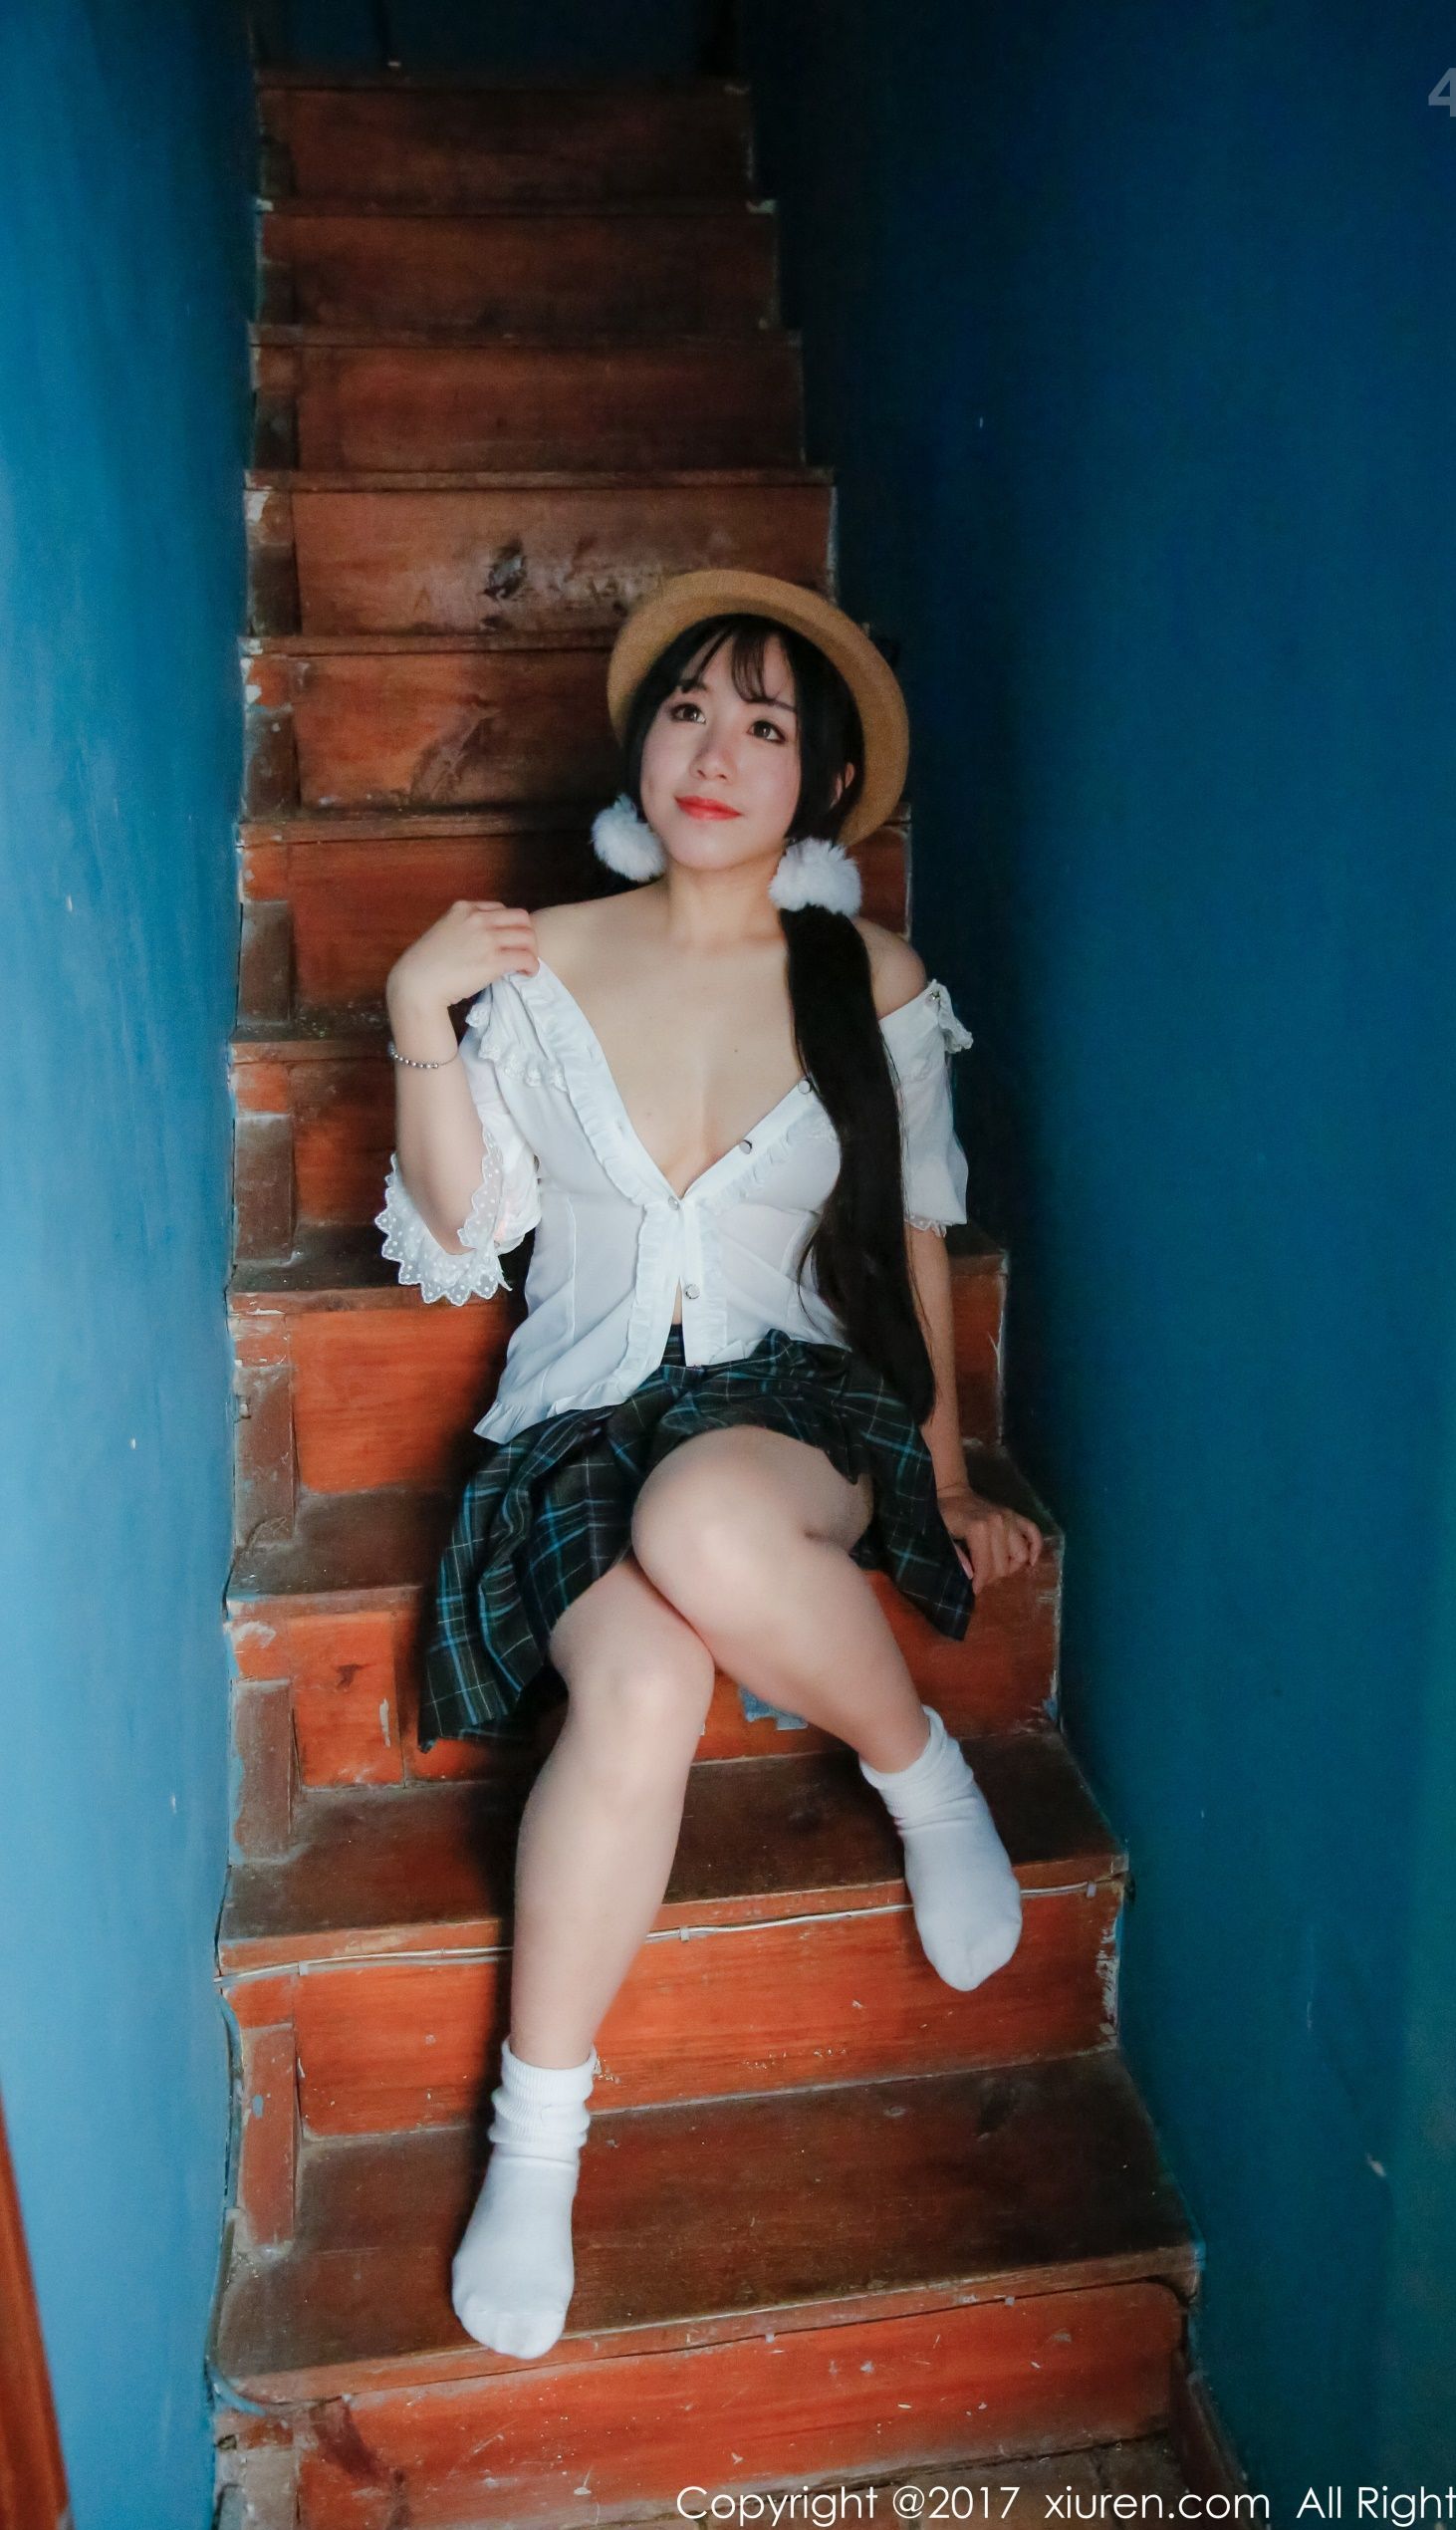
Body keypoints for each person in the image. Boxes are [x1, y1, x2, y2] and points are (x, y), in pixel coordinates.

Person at [375, 568, 1044, 2362]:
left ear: (823, 784)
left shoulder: (865, 980)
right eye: (688, 710)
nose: (716, 752)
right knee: (646, 1681)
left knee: (706, 1521)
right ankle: (537, 2144)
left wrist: (944, 1476)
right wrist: (419, 1014)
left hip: (791, 1418)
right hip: (570, 1431)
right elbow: (464, 1231)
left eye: (765, 726)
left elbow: (911, 1244)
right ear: (642, 743)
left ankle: (919, 1776)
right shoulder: (535, 960)